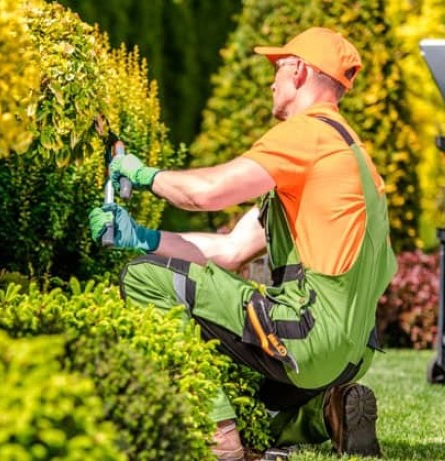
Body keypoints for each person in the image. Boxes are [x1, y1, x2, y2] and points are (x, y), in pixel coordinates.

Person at [89, 27, 397, 460]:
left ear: (301, 72)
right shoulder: (350, 155)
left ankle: (219, 439)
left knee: (143, 278)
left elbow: (207, 193)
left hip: (308, 334)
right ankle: (329, 411)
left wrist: (143, 176)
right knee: (253, 392)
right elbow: (230, 250)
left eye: (278, 68)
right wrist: (141, 237)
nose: (272, 80)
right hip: (351, 352)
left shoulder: (308, 134)